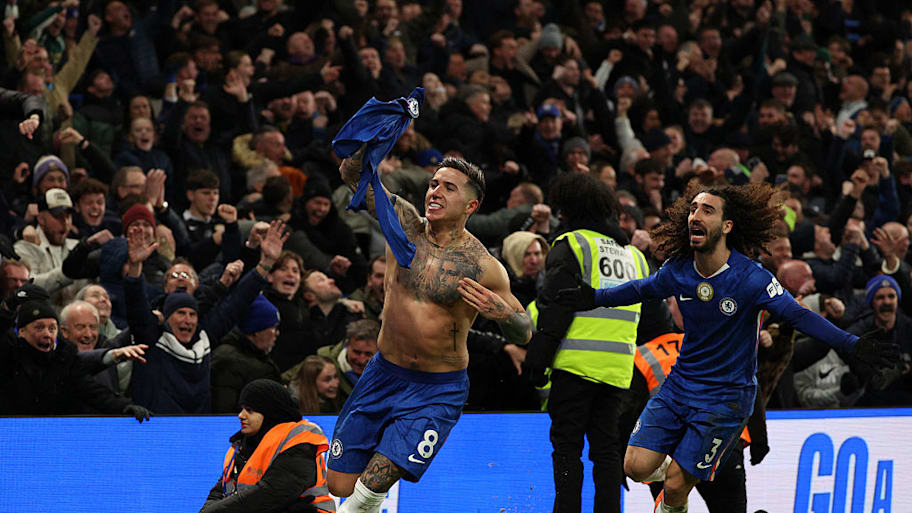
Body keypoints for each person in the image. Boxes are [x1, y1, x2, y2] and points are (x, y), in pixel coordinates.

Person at [557, 182, 898, 513]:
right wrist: (593, 297)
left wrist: (851, 343)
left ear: (727, 225)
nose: (696, 216)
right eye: (693, 209)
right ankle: (679, 465)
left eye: (707, 210)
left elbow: (798, 315)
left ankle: (678, 483)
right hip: (679, 387)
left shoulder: (752, 278)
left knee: (674, 486)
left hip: (725, 400)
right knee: (635, 467)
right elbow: (640, 289)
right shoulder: (679, 270)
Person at [328, 152, 532, 512]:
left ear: (471, 205)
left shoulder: (484, 265)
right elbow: (351, 173)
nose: (435, 192)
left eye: (449, 188)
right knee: (340, 484)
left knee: (369, 487)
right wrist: (372, 139)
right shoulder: (403, 224)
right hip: (382, 373)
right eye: (434, 184)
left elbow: (524, 331)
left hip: (436, 389)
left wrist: (503, 315)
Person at [524, 172, 648, 513]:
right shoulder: (635, 257)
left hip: (574, 367)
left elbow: (556, 308)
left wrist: (538, 359)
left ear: (570, 209)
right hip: (618, 372)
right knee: (607, 451)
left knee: (568, 449)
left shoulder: (573, 245)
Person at [199, 379, 336, 513]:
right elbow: (220, 491)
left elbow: (273, 493)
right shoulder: (243, 445)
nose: (241, 415)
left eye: (249, 410)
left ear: (269, 412)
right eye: (241, 409)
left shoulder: (299, 440)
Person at [210, 295, 283, 413]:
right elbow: (224, 410)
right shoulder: (227, 360)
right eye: (273, 327)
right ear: (257, 330)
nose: (277, 333)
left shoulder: (257, 356)